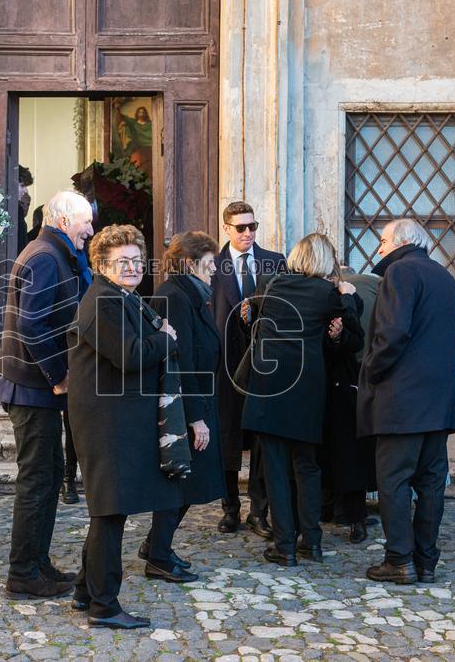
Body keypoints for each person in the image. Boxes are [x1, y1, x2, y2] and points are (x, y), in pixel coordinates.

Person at [66, 224, 182, 629]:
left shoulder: (122, 296)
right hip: (104, 421)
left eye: (137, 260)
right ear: (102, 264)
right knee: (110, 510)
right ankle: (105, 607)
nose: (132, 268)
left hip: (118, 417)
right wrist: (167, 339)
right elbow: (130, 355)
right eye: (122, 262)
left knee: (109, 509)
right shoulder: (103, 302)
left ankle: (86, 589)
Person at [0, 190, 95, 599]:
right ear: (65, 220)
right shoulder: (44, 257)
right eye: (85, 221)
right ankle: (22, 572)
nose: (91, 229)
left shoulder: (55, 253)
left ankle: (38, 562)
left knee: (50, 476)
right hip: (32, 389)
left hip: (39, 390)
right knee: (37, 480)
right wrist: (58, 376)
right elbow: (31, 325)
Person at [240, 233, 360, 566]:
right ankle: (312, 542)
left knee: (276, 471)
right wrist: (347, 294)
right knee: (307, 468)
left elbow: (250, 319)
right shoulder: (326, 292)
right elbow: (352, 323)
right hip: (307, 390)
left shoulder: (270, 281)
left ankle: (285, 546)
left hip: (269, 390)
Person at [358, 219, 455, 585]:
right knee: (431, 481)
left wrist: (370, 370)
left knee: (394, 480)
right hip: (438, 400)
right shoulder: (444, 277)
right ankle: (425, 561)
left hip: (402, 400)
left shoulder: (399, 274)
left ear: (401, 242)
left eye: (383, 241)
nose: (380, 249)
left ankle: (399, 560)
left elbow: (392, 333)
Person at [142, 231, 226, 583]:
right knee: (181, 479)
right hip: (186, 405)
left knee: (190, 480)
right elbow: (182, 359)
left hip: (201, 398)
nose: (214, 270)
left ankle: (155, 546)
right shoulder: (175, 296)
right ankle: (158, 555)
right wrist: (195, 419)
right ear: (191, 263)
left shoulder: (191, 295)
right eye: (209, 263)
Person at [211, 201, 286, 537]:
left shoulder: (275, 261)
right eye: (240, 228)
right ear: (226, 229)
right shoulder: (211, 265)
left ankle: (260, 510)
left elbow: (284, 312)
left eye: (252, 226)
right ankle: (230, 508)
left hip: (262, 365)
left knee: (261, 438)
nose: (247, 233)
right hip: (224, 365)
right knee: (227, 438)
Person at [320, 266, 378, 543]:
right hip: (338, 383)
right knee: (344, 453)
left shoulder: (349, 297)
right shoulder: (341, 296)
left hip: (341, 383)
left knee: (344, 453)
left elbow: (354, 339)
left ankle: (349, 515)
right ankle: (350, 515)